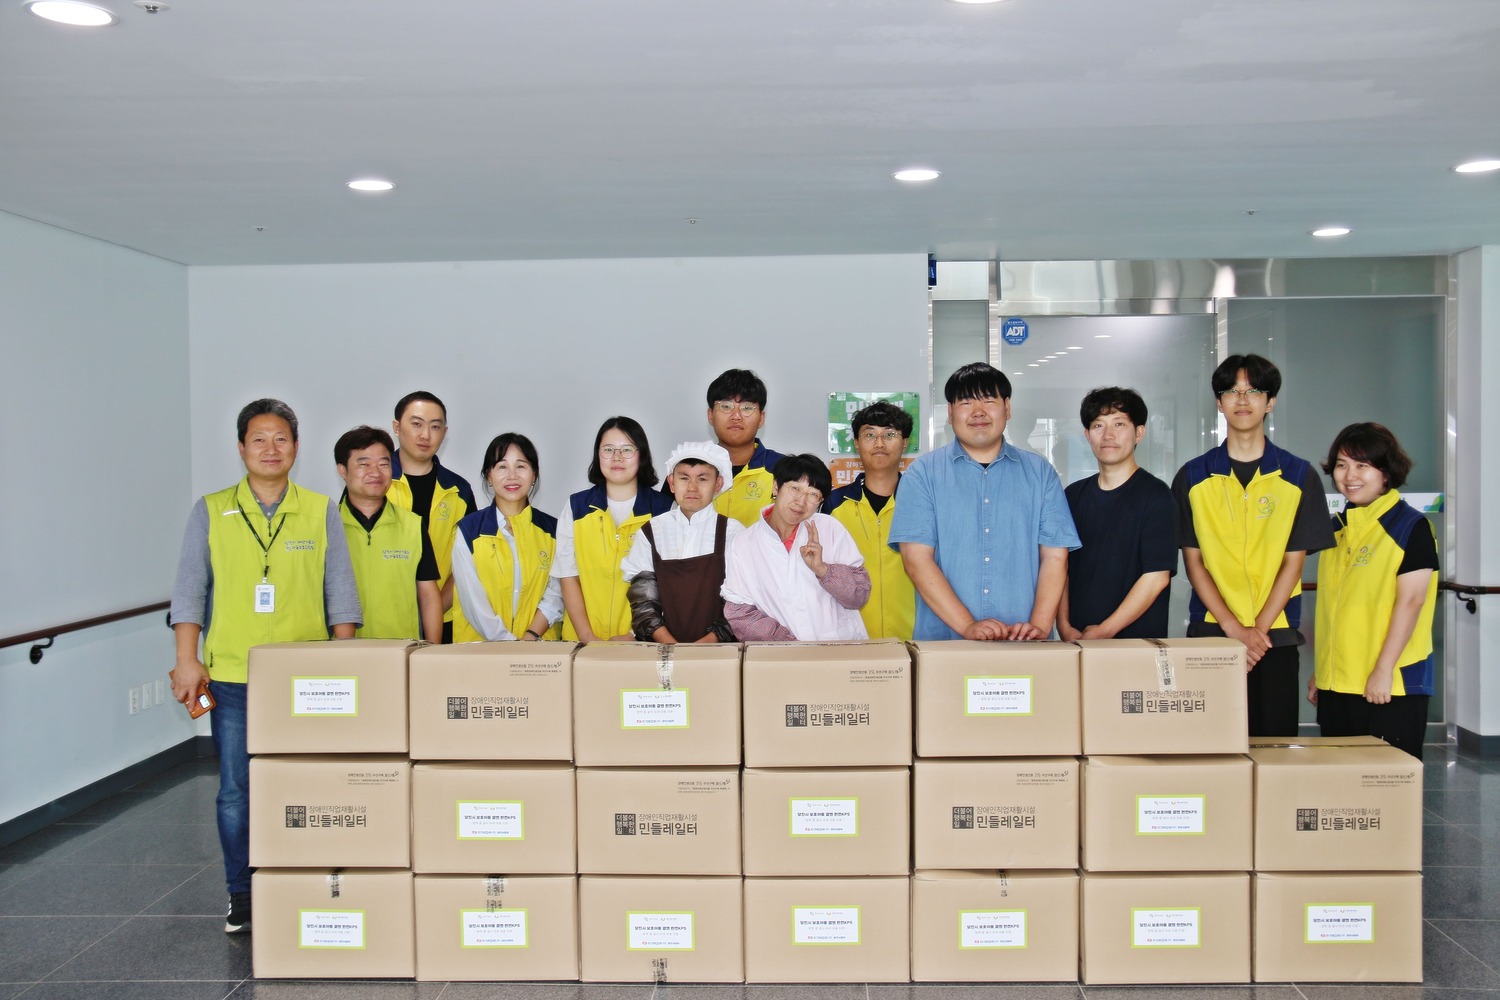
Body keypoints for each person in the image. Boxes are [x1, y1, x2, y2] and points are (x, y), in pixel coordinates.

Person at [168, 398, 361, 934]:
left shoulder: (320, 509)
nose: (271, 449)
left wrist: (342, 665)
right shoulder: (211, 510)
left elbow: (340, 594)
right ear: (241, 448)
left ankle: (305, 878)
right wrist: (188, 660)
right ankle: (243, 893)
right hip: (232, 676)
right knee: (236, 788)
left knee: (311, 786)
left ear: (296, 449)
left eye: (281, 439)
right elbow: (189, 590)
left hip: (307, 678)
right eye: (259, 439)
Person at [1173, 353, 1335, 737]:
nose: (1242, 400)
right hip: (1213, 630)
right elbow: (1194, 563)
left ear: (1270, 401)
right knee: (1212, 743)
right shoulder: (1193, 476)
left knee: (1275, 745)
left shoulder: (1298, 475)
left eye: (1253, 391)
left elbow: (1293, 564)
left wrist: (1255, 635)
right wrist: (1233, 628)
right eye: (1231, 391)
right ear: (1218, 402)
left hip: (1275, 634)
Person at [889, 362, 1080, 641]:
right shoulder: (922, 474)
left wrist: (1039, 625)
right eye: (966, 402)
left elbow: (1054, 556)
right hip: (946, 643)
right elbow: (916, 561)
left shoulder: (1041, 473)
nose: (978, 412)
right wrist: (967, 625)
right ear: (951, 412)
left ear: (1008, 408)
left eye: (989, 400)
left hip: (1026, 642)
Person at [1309, 423, 1437, 759]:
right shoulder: (1337, 530)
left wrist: (1383, 671)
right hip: (1338, 684)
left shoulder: (1411, 526)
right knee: (1344, 792)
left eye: (1362, 465)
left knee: (1388, 793)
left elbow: (1412, 602)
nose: (1349, 475)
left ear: (1386, 472)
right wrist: (1322, 672)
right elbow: (1336, 609)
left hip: (1389, 686)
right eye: (1341, 464)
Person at [1059, 387, 1177, 640]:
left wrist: (1105, 630)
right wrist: (1064, 625)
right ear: (1087, 435)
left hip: (1136, 645)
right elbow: (1060, 567)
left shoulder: (1157, 496)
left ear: (1139, 433)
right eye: (1098, 425)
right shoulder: (1072, 496)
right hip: (1077, 640)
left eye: (1119, 424)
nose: (1108, 435)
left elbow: (1157, 577)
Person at [721, 454, 870, 640]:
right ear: (776, 487)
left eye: (813, 494)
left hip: (840, 651)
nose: (801, 501)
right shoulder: (743, 543)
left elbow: (859, 596)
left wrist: (823, 570)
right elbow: (740, 613)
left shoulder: (830, 528)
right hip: (783, 660)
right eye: (795, 488)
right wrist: (788, 645)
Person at [553, 417, 674, 642]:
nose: (617, 457)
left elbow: (671, 583)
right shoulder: (576, 507)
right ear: (597, 454)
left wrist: (633, 635)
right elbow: (568, 576)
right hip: (580, 642)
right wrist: (587, 637)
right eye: (608, 449)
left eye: (627, 449)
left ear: (642, 455)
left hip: (643, 642)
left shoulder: (664, 509)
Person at [623, 440, 745, 643]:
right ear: (671, 483)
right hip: (663, 655)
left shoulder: (734, 533)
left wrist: (704, 646)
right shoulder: (652, 531)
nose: (692, 487)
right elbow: (643, 603)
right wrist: (673, 648)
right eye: (684, 478)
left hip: (721, 655)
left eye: (703, 479)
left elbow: (742, 603)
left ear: (718, 484)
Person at [450, 433, 564, 642]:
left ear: (534, 475)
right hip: (479, 654)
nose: (512, 476)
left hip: (538, 654)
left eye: (521, 466)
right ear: (489, 476)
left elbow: (556, 594)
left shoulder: (554, 530)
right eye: (502, 467)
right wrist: (508, 645)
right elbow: (472, 601)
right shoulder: (468, 530)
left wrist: (529, 637)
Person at [334, 425, 442, 642]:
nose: (375, 472)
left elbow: (429, 596)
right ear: (342, 470)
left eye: (384, 464)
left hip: (401, 652)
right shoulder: (328, 526)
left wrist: (431, 651)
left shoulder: (412, 525)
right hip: (341, 655)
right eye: (364, 464)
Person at [387, 390, 477, 642]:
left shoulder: (459, 490)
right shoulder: (376, 483)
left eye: (435, 426)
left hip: (445, 620)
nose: (425, 435)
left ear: (444, 433)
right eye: (416, 424)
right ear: (396, 427)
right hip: (383, 619)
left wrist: (434, 607)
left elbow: (467, 562)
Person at [821, 400, 916, 640]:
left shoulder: (923, 502)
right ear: (856, 443)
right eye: (870, 434)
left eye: (890, 434)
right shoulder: (834, 503)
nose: (880, 443)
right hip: (850, 638)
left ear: (905, 443)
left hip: (916, 635)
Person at [701, 368, 788, 527]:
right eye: (726, 406)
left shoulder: (785, 470)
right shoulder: (687, 469)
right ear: (710, 415)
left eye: (747, 408)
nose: (736, 416)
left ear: (761, 418)